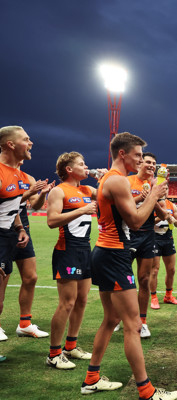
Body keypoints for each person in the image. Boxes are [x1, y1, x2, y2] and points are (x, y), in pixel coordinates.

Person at [82, 132, 177, 399]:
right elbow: (136, 222)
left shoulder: (112, 180)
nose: (141, 160)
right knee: (133, 324)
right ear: (122, 154)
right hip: (114, 255)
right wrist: (155, 195)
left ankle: (91, 378)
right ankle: (147, 391)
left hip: (106, 252)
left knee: (110, 319)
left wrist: (145, 197)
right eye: (137, 155)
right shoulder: (117, 180)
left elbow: (125, 211)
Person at [45, 152, 104, 369]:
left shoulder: (87, 190)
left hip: (84, 251)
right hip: (66, 251)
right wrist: (83, 209)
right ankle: (53, 354)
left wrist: (104, 179)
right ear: (69, 169)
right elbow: (51, 221)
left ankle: (71, 346)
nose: (86, 166)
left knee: (81, 300)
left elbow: (111, 197)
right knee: (67, 303)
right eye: (81, 164)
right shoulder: (58, 191)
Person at [126, 152, 167, 338]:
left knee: (143, 280)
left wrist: (152, 196)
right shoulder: (127, 182)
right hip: (127, 235)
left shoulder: (155, 185)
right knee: (123, 281)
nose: (152, 165)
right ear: (140, 163)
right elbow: (121, 207)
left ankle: (142, 322)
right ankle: (121, 317)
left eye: (154, 163)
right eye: (148, 162)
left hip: (148, 236)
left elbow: (164, 215)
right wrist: (140, 198)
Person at [11, 168, 54, 339]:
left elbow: (35, 204)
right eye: (26, 139)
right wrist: (29, 191)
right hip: (3, 231)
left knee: (31, 277)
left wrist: (42, 193)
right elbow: (5, 202)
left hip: (22, 230)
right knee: (2, 279)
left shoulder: (28, 178)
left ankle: (25, 324)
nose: (30, 143)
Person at [0, 126, 32, 349]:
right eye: (26, 140)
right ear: (11, 144)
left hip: (8, 236)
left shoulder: (17, 174)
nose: (31, 143)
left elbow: (11, 208)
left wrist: (20, 228)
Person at [150, 190, 177, 310]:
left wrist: (175, 221)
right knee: (154, 270)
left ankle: (168, 296)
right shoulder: (151, 203)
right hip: (154, 239)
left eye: (166, 189)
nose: (164, 191)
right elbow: (146, 223)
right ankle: (153, 298)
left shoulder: (172, 205)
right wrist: (163, 217)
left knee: (171, 269)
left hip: (168, 239)